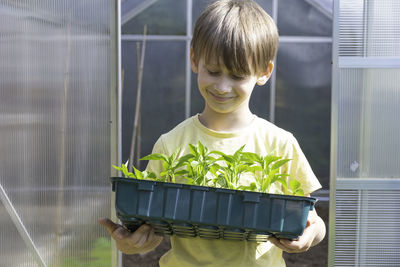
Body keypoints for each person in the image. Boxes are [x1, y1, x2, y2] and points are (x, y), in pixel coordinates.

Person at [99, 0, 326, 266]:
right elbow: (150, 229)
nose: (222, 86)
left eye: (238, 75)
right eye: (213, 71)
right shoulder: (172, 144)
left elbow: (314, 220)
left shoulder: (280, 144)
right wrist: (132, 242)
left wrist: (311, 234)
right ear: (194, 60)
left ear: (264, 72)